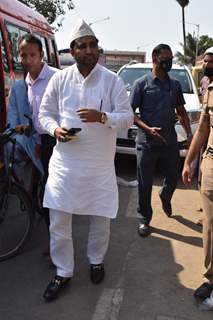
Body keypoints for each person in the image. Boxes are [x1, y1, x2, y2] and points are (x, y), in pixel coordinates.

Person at [38, 19, 133, 302]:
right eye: (83, 46)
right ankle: (63, 271)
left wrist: (102, 117)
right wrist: (55, 130)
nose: (90, 50)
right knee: (59, 222)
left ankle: (95, 261)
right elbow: (45, 113)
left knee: (100, 220)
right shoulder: (60, 79)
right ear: (73, 50)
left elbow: (127, 118)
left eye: (94, 45)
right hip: (65, 167)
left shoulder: (112, 80)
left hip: (99, 167)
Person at [130, 43, 192, 237]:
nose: (169, 62)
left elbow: (181, 111)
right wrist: (147, 129)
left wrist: (189, 134)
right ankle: (144, 219)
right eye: (166, 58)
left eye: (171, 58)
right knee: (145, 183)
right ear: (155, 59)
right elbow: (129, 113)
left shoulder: (174, 85)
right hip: (146, 143)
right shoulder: (141, 84)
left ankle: (165, 196)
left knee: (173, 177)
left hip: (169, 142)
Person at [182, 47, 213, 301]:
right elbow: (202, 129)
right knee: (211, 226)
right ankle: (211, 277)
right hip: (212, 163)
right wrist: (189, 161)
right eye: (207, 61)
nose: (207, 65)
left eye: (211, 62)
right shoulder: (210, 92)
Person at [18, 34, 58, 228]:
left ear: (41, 55)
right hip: (41, 140)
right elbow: (37, 116)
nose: (28, 60)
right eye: (23, 55)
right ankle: (55, 241)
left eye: (32, 55)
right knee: (45, 190)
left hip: (58, 141)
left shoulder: (56, 77)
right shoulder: (27, 81)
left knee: (52, 193)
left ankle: (57, 246)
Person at [5, 78, 43, 188]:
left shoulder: (50, 81)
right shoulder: (17, 87)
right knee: (10, 145)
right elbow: (12, 122)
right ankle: (18, 186)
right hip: (22, 139)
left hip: (43, 137)